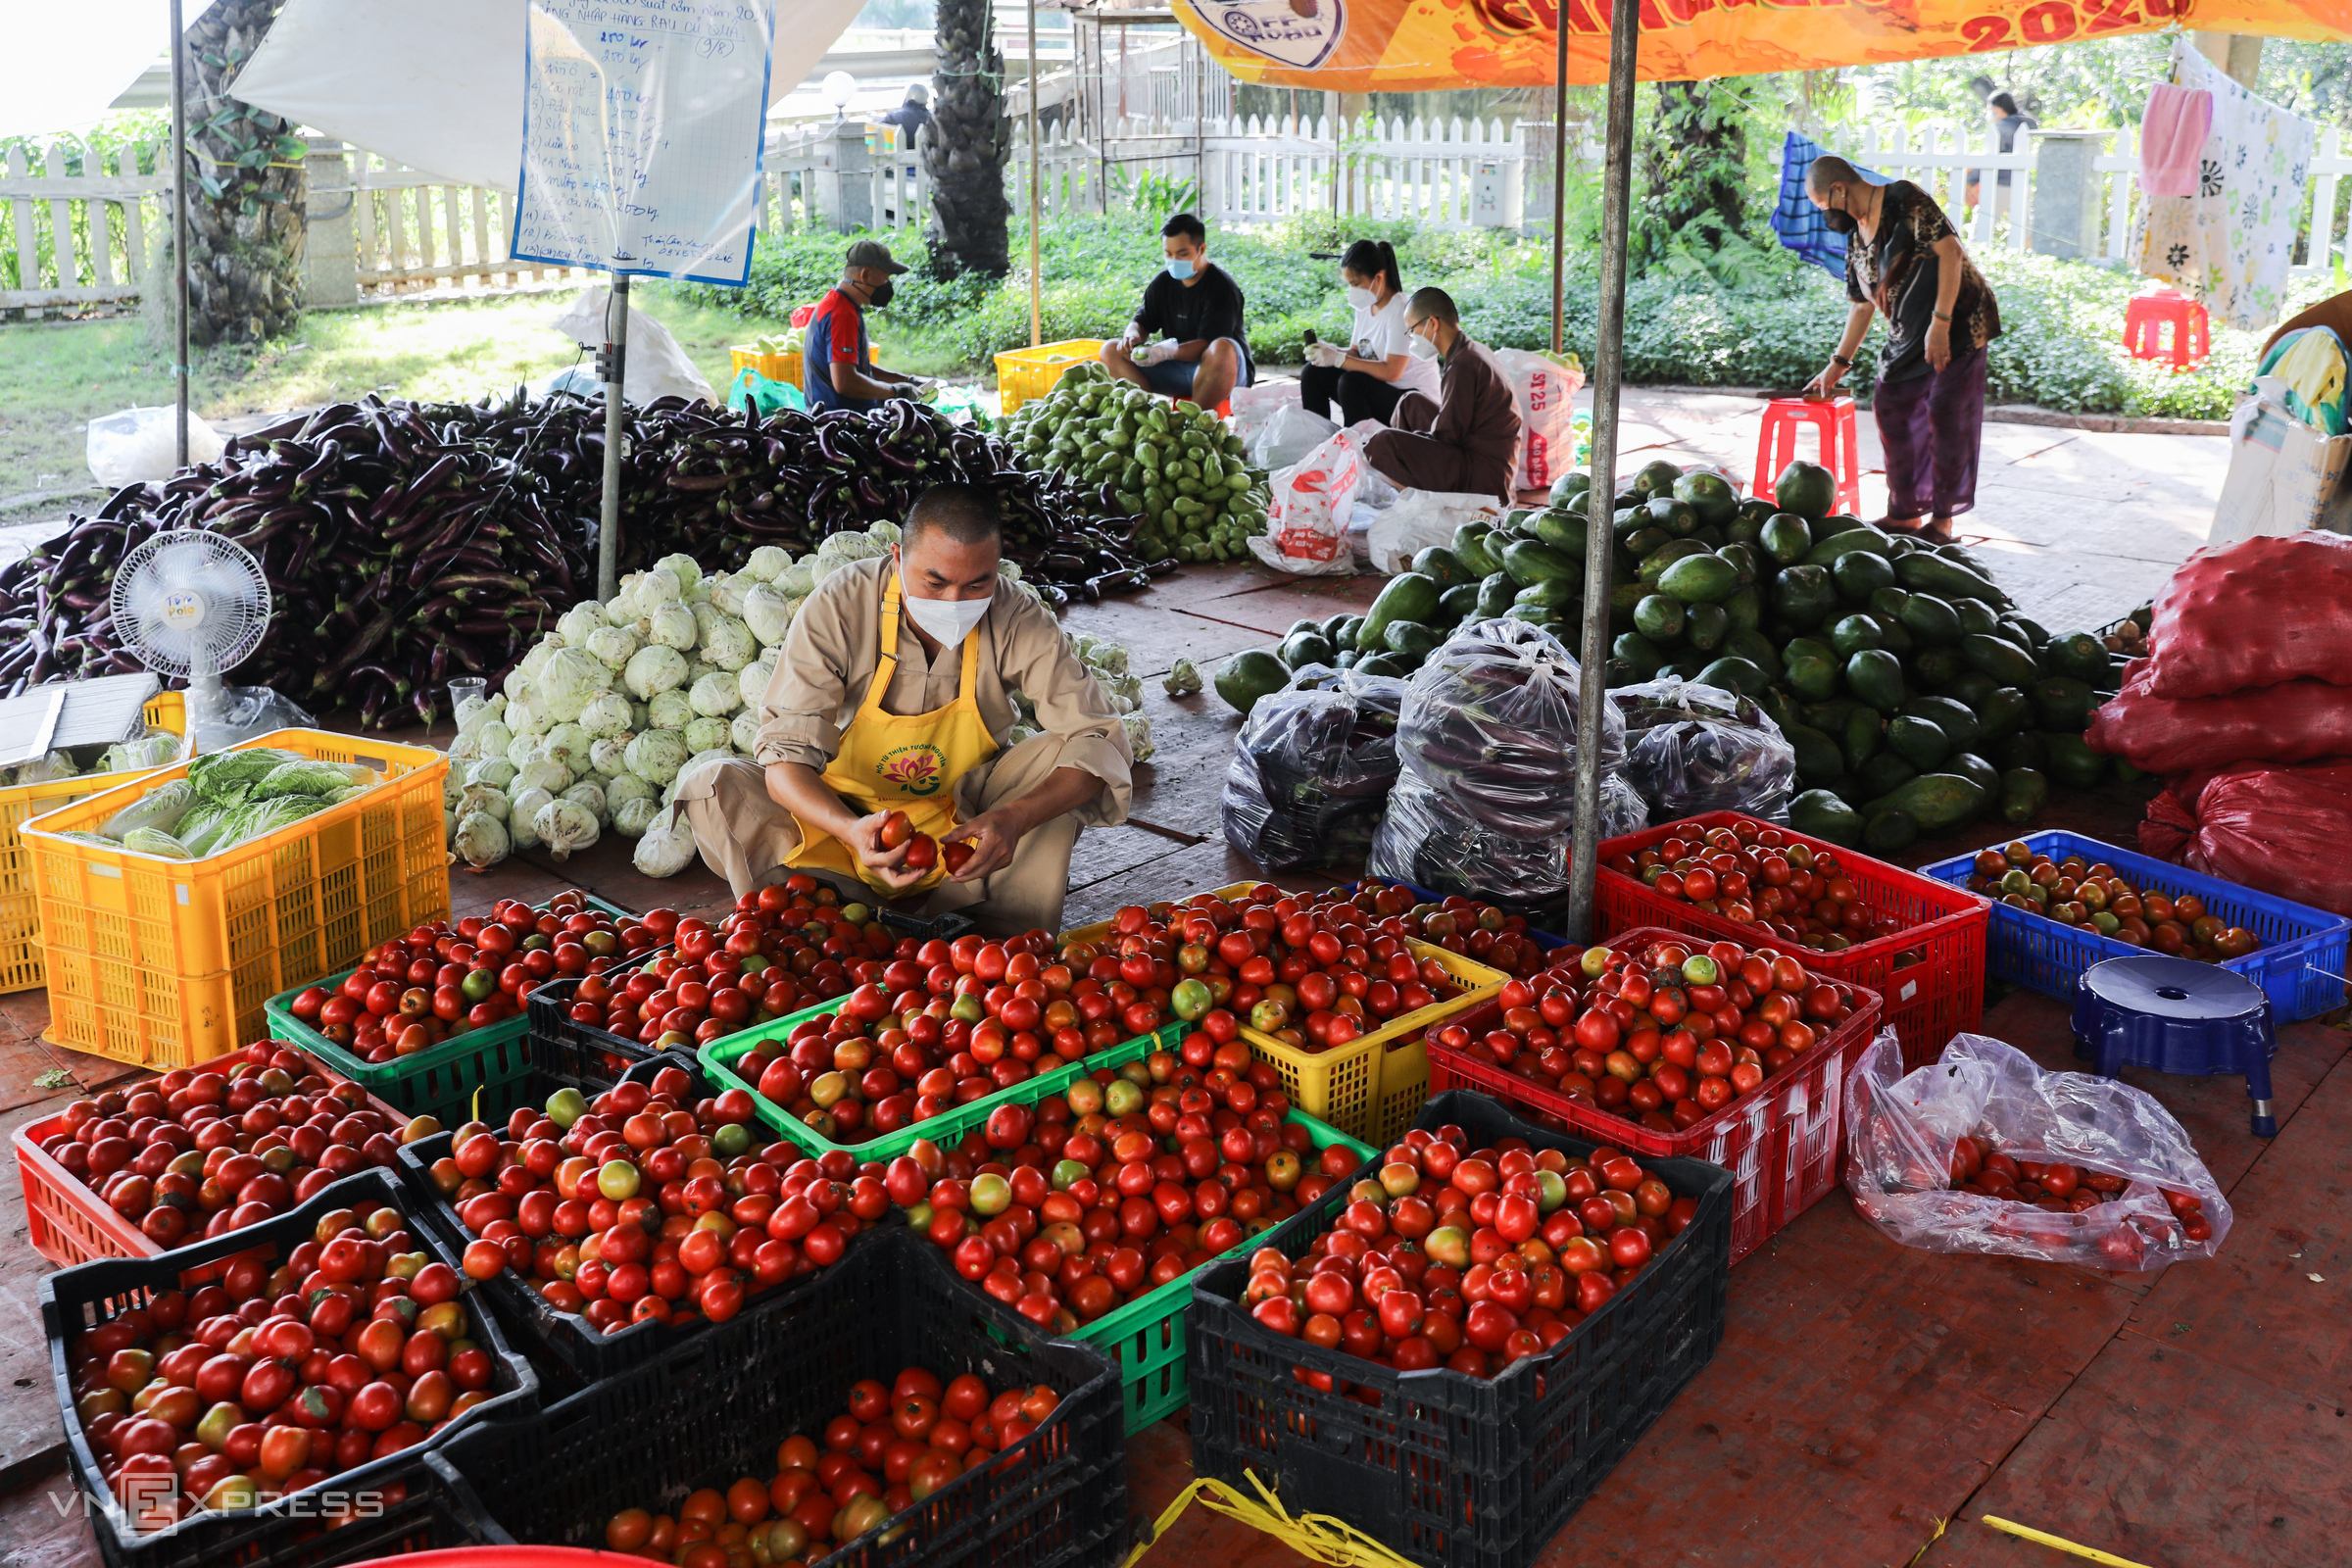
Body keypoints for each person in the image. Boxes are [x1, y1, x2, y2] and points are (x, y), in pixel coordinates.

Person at [675, 484, 1133, 935]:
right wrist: (852, 830)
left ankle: (1000, 941)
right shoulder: (843, 604)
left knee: (1065, 757)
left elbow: (1098, 740)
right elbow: (785, 760)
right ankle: (820, 920)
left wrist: (1015, 819)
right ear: (897, 557)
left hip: (967, 829)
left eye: (977, 584)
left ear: (997, 569)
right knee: (713, 786)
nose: (954, 602)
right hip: (837, 829)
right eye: (935, 581)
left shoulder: (1017, 616)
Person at [1803, 154, 2002, 542]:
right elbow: (1862, 306)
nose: (1826, 216)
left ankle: (1943, 521)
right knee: (1890, 404)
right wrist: (1837, 364)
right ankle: (1905, 512)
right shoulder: (1855, 237)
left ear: (1840, 189)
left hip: (1959, 320)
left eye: (1825, 206)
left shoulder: (1903, 199)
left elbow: (1950, 253)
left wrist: (1940, 323)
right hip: (1907, 332)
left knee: (1945, 410)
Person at [1361, 288, 1522, 503]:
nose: (1411, 339)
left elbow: (1447, 435)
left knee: (1383, 443)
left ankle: (1413, 498)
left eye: (1412, 330)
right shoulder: (1469, 350)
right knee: (1410, 403)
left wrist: (1410, 444)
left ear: (1433, 324)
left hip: (1483, 477)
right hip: (1473, 451)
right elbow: (1452, 426)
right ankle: (1405, 480)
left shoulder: (1463, 364)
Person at [1102, 213, 1252, 409]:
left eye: (1182, 254)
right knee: (1110, 350)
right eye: (1168, 254)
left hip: (1221, 371)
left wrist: (1165, 352)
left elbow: (1207, 345)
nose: (1174, 260)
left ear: (1201, 249)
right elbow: (1143, 320)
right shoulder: (1163, 283)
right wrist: (1132, 334)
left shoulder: (1222, 288)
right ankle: (1149, 416)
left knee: (1221, 349)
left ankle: (1193, 423)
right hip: (1177, 370)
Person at [1299, 238, 1439, 428]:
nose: (1352, 291)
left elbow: (1392, 372)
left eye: (1356, 284)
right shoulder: (1365, 306)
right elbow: (1357, 353)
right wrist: (1329, 352)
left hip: (1412, 402)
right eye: (1349, 284)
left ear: (1379, 278)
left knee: (1351, 382)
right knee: (1314, 372)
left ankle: (1360, 445)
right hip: (1380, 390)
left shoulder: (1401, 311)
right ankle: (1315, 438)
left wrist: (1340, 359)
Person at [804, 238, 925, 413]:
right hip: (839, 422)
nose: (887, 284)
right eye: (885, 277)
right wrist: (894, 392)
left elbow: (859, 368)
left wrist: (907, 380)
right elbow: (845, 382)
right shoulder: (842, 314)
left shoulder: (840, 304)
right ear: (865, 275)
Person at [1966, 91, 2035, 213]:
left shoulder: (2001, 128)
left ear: (1997, 108)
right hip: (2024, 183)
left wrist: (1971, 179)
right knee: (2023, 226)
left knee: (1982, 224)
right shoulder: (2025, 125)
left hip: (2002, 185)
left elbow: (1989, 159)